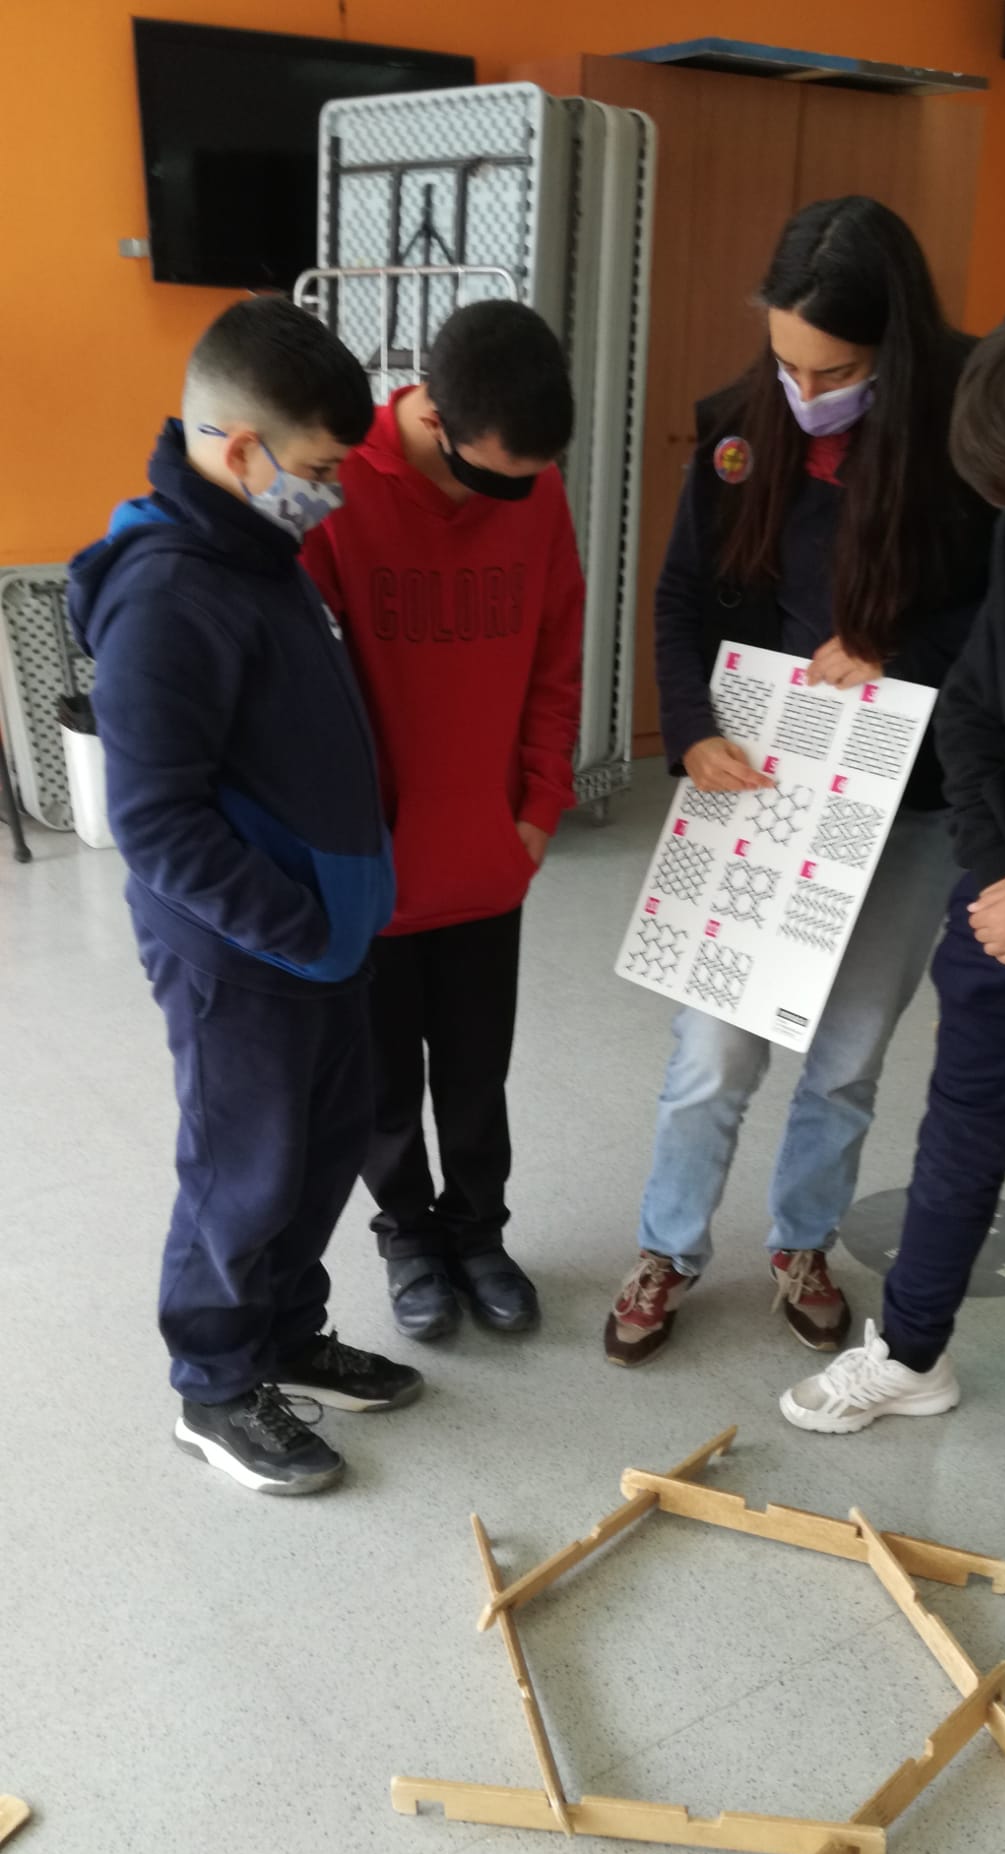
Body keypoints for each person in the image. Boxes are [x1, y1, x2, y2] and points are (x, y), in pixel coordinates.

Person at [780, 275, 1005, 1533]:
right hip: (999, 911)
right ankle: (909, 1352)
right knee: (954, 1148)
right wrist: (998, 881)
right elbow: (976, 709)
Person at [605, 196, 995, 1369]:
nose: (805, 389)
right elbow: (681, 594)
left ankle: (802, 1240)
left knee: (850, 1052)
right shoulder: (742, 426)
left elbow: (1000, 609)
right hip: (764, 774)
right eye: (786, 362)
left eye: (836, 371)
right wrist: (689, 731)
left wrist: (896, 650)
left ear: (894, 349)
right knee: (714, 1049)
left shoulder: (965, 423)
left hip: (909, 790)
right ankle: (668, 1246)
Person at [68, 298, 424, 1498]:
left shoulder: (264, 557)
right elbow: (155, 821)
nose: (332, 492)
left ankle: (283, 1335)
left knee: (321, 1154)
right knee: (245, 1170)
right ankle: (216, 1385)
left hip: (323, 945)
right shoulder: (168, 594)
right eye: (317, 471)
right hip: (245, 956)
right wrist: (298, 926)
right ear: (237, 448)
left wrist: (342, 919)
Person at [302, 300, 583, 1345]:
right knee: (383, 1081)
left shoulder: (534, 485)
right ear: (431, 414)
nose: (513, 495)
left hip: (487, 853)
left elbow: (557, 653)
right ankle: (409, 1237)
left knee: (475, 1072)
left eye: (531, 477)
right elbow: (300, 692)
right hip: (372, 866)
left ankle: (478, 1231)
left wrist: (539, 806)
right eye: (493, 476)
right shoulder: (338, 488)